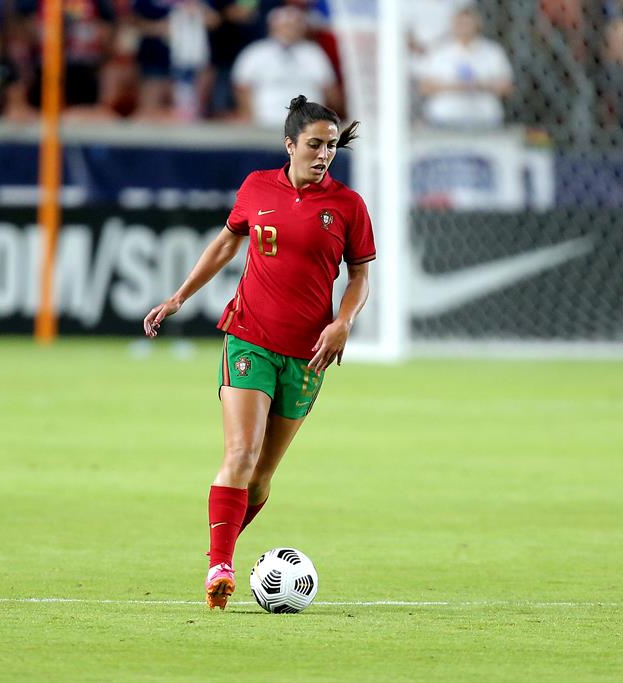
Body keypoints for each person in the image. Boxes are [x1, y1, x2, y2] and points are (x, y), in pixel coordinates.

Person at [143, 95, 375, 610]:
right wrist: (179, 296)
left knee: (262, 476)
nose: (323, 155)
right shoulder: (256, 187)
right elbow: (227, 243)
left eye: (331, 146)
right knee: (240, 454)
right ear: (289, 144)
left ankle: (221, 547)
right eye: (314, 144)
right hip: (249, 336)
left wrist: (343, 321)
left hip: (308, 353)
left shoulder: (348, 206)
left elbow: (360, 276)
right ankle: (219, 566)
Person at [231, 6, 339, 127]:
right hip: (266, 122)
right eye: (286, 26)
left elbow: (329, 90)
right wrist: (248, 116)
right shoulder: (256, 52)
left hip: (307, 126)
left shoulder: (313, 53)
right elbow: (242, 87)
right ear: (273, 26)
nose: (290, 30)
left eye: (295, 26)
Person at [414, 7, 513, 129]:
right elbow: (424, 87)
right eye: (460, 24)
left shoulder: (492, 51)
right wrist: (456, 86)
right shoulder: (438, 51)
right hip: (444, 117)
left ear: (477, 25)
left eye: (468, 24)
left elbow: (506, 87)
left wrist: (479, 85)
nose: (464, 28)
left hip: (484, 117)